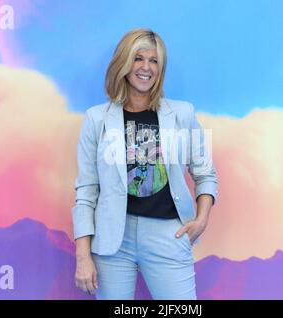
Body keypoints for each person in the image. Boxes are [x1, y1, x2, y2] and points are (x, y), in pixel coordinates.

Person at [72, 28, 218, 300]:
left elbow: (205, 172)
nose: (146, 67)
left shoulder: (183, 114)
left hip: (168, 234)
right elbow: (87, 191)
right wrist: (83, 257)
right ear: (124, 63)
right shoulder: (96, 120)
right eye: (139, 58)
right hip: (112, 240)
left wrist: (201, 220)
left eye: (154, 61)